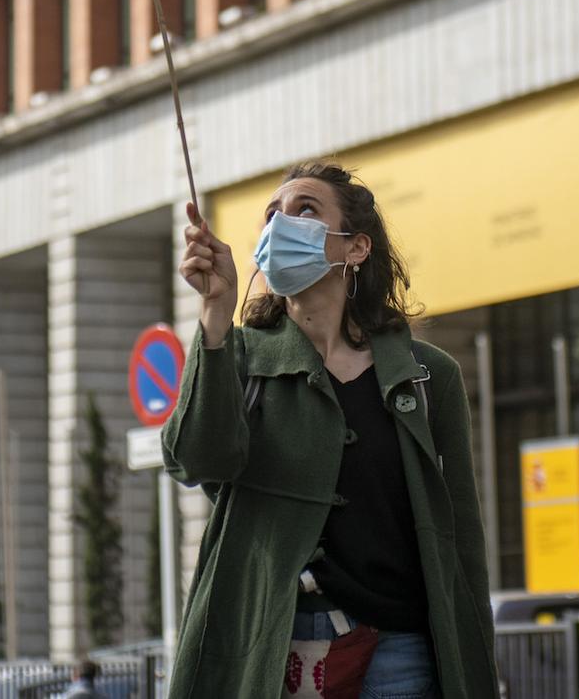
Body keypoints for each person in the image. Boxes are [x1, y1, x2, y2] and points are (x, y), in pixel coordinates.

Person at [164, 161, 497, 699]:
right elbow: (197, 460)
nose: (280, 225)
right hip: (272, 651)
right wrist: (215, 316)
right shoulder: (239, 355)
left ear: (356, 248)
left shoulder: (428, 375)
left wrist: (477, 667)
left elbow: (461, 540)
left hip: (400, 652)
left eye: (305, 210)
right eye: (272, 215)